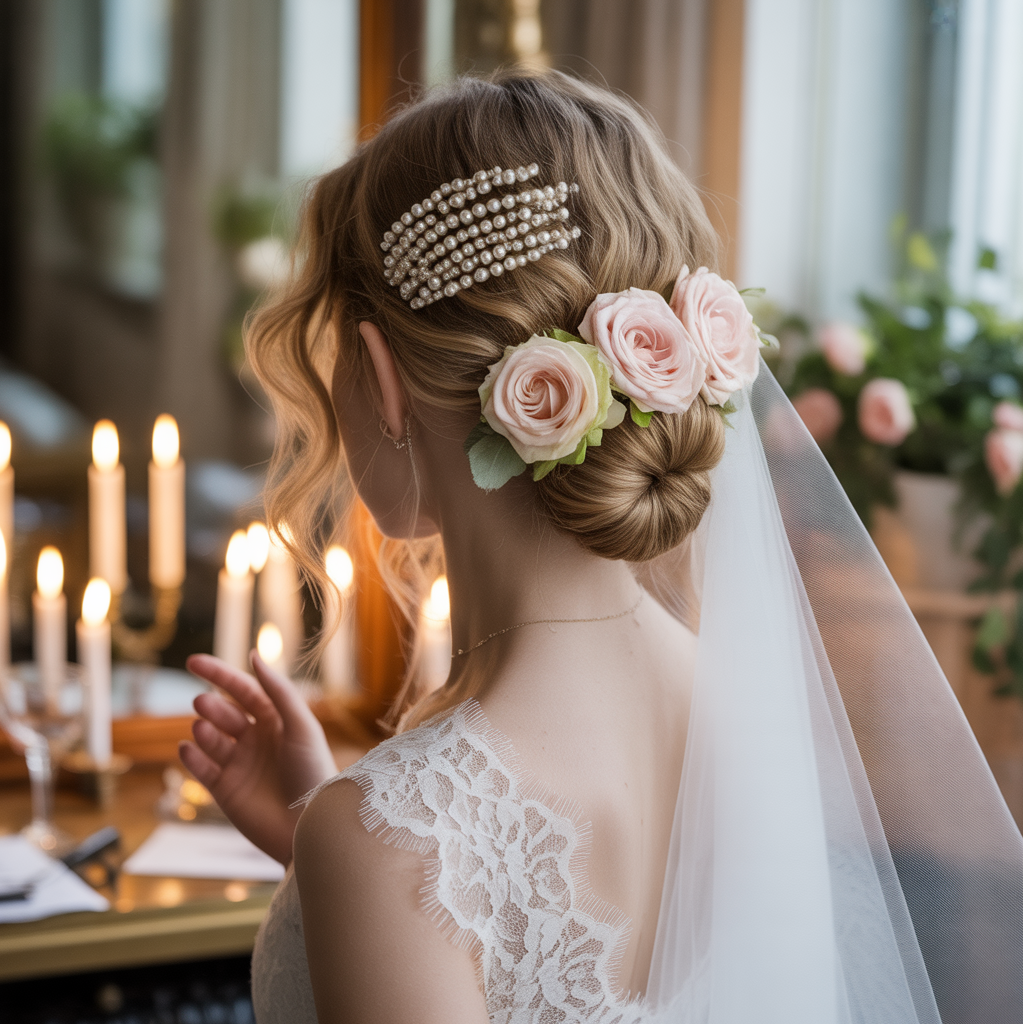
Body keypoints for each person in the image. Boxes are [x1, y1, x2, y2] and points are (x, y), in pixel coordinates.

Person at [180, 70, 1023, 1024]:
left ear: (378, 376)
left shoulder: (394, 840)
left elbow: (461, 892)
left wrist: (350, 840)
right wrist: (323, 839)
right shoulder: (772, 727)